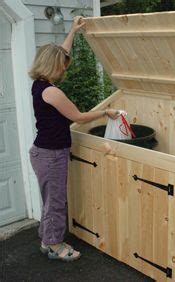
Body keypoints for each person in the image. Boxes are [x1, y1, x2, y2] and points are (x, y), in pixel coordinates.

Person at [29, 16, 120, 262]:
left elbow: (62, 53)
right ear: (53, 65)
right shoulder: (52, 92)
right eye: (62, 65)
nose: (65, 69)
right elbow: (78, 116)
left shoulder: (39, 84)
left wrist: (73, 31)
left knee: (50, 200)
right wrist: (105, 111)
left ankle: (47, 239)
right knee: (56, 202)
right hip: (51, 155)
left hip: (43, 152)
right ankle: (56, 245)